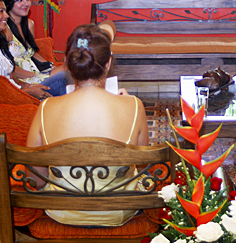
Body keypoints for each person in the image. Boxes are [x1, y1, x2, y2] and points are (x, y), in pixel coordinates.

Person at [26, 24, 149, 226]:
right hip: (118, 210)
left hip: (62, 211)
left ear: (67, 63)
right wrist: (127, 103)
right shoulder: (134, 106)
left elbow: (36, 180)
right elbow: (144, 169)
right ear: (108, 63)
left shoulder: (45, 108)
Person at [0, 0, 66, 99]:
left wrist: (30, 86)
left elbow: (14, 80)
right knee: (63, 78)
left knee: (67, 78)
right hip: (11, 98)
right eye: (1, 11)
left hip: (19, 91)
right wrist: (28, 91)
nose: (6, 15)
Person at [2, 0, 70, 95]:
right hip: (25, 81)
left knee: (73, 67)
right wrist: (35, 76)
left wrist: (50, 65)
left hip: (37, 73)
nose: (26, 3)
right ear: (9, 2)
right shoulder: (4, 30)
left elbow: (32, 53)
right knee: (66, 73)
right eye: (20, 0)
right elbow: (7, 67)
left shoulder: (29, 24)